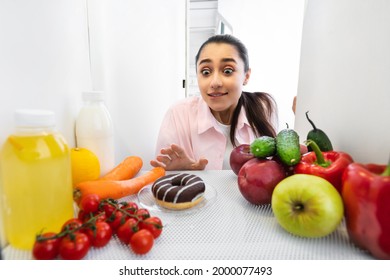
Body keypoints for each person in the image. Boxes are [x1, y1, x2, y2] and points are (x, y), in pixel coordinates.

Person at [150, 34, 278, 170]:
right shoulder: (178, 114)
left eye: (227, 71)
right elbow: (161, 174)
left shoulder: (264, 107)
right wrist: (186, 173)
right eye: (205, 72)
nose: (215, 82)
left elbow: (274, 168)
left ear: (246, 76)